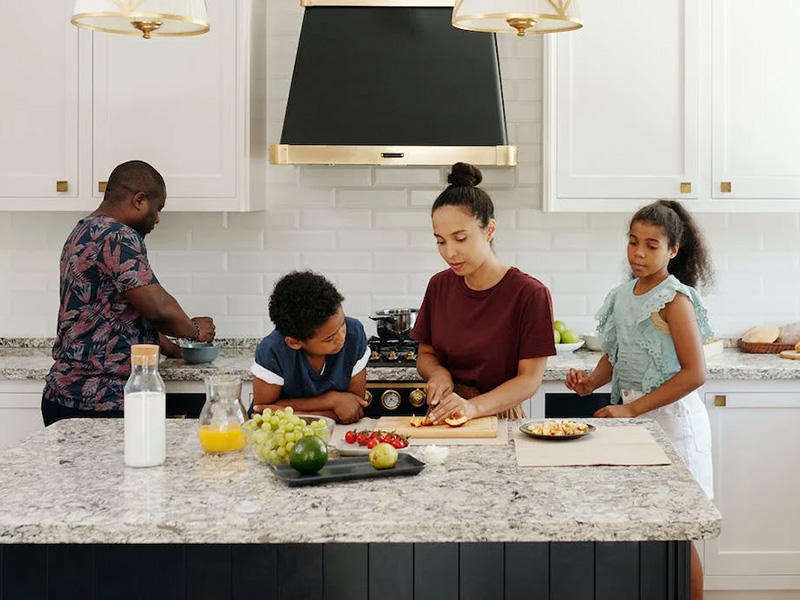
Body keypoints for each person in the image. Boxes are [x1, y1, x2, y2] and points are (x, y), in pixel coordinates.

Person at [565, 199, 714, 600]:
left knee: (679, 534)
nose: (639, 253)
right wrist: (589, 383)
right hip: (636, 427)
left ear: (673, 250)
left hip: (672, 424)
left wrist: (630, 408)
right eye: (633, 242)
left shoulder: (675, 300)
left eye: (651, 245)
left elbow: (694, 373)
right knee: (642, 525)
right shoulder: (622, 295)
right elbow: (618, 353)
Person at [42, 160, 215, 426]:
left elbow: (123, 312)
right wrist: (194, 331)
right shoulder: (118, 236)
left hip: (65, 396)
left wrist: (177, 350)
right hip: (101, 400)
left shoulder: (83, 230)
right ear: (139, 200)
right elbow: (158, 309)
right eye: (158, 208)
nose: (157, 218)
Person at [411, 162, 556, 424]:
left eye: (460, 238)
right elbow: (426, 355)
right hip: (444, 416)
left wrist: (473, 407)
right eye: (440, 241)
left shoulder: (530, 294)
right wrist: (438, 373)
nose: (449, 252)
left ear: (489, 230)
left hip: (500, 417)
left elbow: (529, 380)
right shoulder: (438, 286)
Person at [250, 270, 370, 424]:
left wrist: (287, 411)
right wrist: (331, 401)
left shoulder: (354, 334)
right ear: (294, 343)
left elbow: (353, 409)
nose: (341, 337)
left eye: (342, 325)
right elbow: (262, 414)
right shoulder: (273, 351)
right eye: (330, 338)